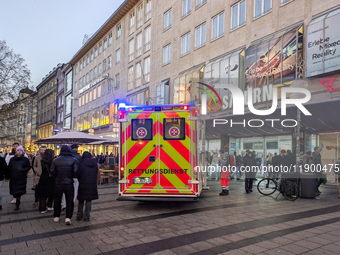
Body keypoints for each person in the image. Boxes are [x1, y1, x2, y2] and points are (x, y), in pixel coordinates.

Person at [50, 145, 78, 225]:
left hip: (58, 183)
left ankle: (56, 216)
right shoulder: (73, 160)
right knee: (69, 200)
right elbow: (75, 172)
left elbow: (52, 172)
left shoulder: (55, 160)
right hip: (69, 183)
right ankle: (68, 217)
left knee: (57, 200)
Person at [77, 152, 99, 221]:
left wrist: (80, 180)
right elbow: (96, 173)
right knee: (89, 200)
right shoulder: (94, 163)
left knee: (81, 200)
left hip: (83, 183)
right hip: (92, 184)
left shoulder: (81, 163)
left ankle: (79, 215)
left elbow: (78, 173)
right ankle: (87, 216)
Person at [7, 146, 31, 210]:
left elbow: (28, 167)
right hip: (14, 177)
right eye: (18, 150)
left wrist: (23, 170)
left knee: (19, 192)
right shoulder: (12, 159)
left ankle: (18, 204)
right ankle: (15, 198)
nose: (19, 152)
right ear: (16, 151)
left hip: (21, 177)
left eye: (20, 150)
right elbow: (9, 168)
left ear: (23, 152)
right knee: (14, 191)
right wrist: (8, 176)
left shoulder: (25, 159)